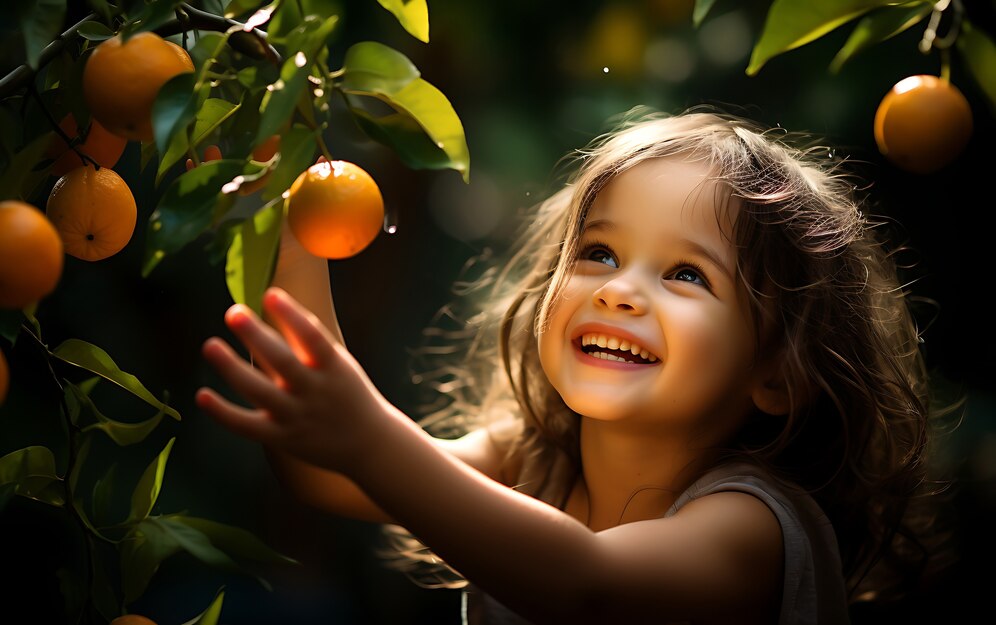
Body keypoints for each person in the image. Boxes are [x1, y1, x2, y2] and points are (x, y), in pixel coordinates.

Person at [195, 108, 946, 624]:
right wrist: (281, 215)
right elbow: (325, 473)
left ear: (778, 371)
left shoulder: (754, 526)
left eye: (687, 274)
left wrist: (365, 434)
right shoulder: (536, 459)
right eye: (599, 253)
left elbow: (587, 585)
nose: (619, 291)